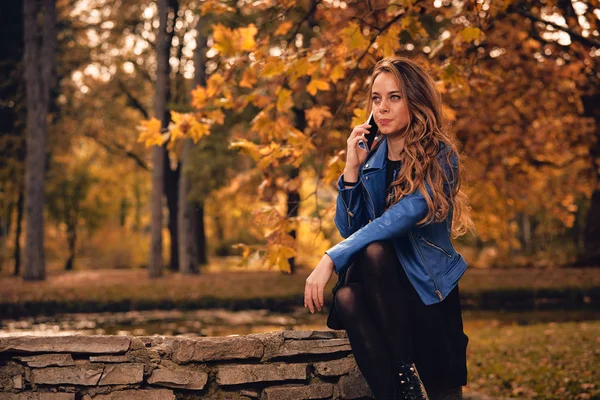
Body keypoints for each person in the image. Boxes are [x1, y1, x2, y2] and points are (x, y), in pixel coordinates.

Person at [304, 57, 474, 400]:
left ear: (415, 100)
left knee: (444, 393)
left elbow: (398, 219)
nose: (382, 108)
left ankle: (402, 367)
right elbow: (350, 229)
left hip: (426, 291)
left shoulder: (441, 156)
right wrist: (352, 169)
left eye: (394, 97)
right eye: (376, 98)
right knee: (350, 295)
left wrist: (330, 260)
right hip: (382, 294)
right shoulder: (373, 157)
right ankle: (402, 372)